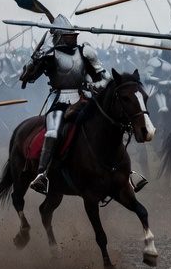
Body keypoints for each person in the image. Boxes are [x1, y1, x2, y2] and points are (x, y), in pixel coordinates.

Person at [18, 16, 108, 194]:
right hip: (59, 101)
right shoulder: (50, 55)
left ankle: (122, 170)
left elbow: (106, 78)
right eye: (68, 36)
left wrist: (94, 86)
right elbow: (27, 76)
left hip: (84, 98)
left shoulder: (85, 52)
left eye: (73, 35)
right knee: (52, 133)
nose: (72, 38)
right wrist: (38, 55)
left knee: (107, 124)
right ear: (58, 36)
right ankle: (42, 174)